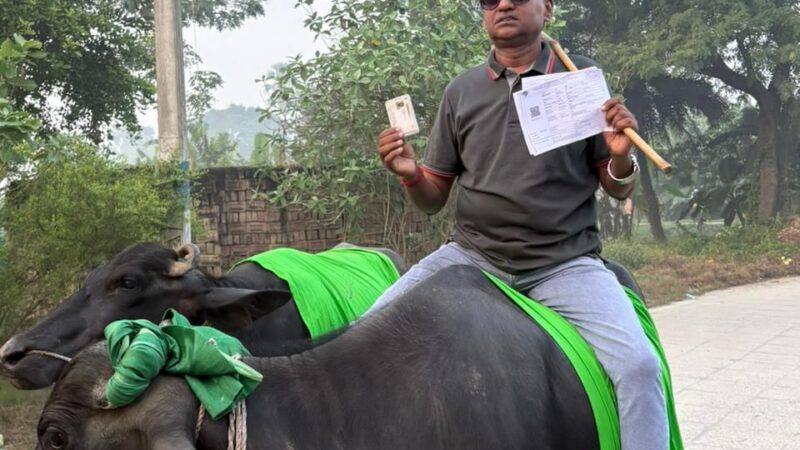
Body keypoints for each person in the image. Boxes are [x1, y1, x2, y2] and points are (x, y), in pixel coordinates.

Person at [367, 0, 668, 448]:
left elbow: (617, 188)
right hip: (471, 256)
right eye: (490, 0)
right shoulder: (461, 91)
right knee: (366, 336)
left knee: (640, 366)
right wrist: (412, 175)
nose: (503, 4)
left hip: (564, 263)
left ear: (547, 9)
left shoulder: (578, 79)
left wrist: (621, 155)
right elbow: (434, 198)